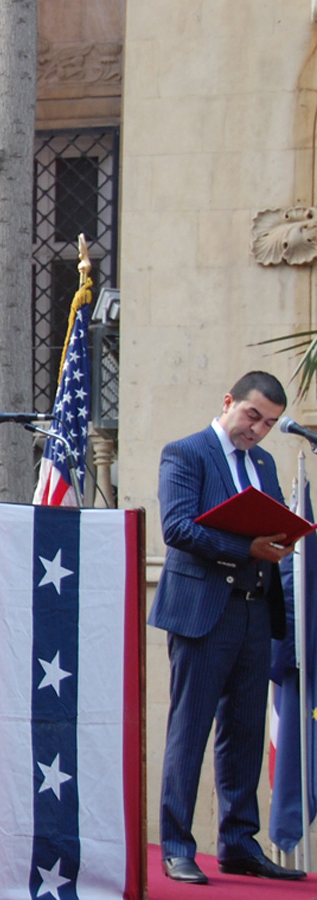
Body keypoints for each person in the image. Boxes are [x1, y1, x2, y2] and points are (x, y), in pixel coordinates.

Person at [150, 371, 305, 884]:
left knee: (244, 731)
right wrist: (247, 547)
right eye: (252, 415)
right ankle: (176, 845)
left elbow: (274, 522)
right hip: (203, 609)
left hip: (255, 609)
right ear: (229, 402)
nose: (258, 430)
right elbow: (177, 527)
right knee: (189, 729)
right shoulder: (187, 452)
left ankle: (239, 842)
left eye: (270, 423)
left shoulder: (262, 462)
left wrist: (283, 538)